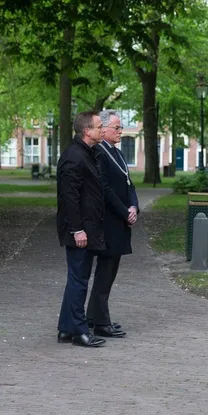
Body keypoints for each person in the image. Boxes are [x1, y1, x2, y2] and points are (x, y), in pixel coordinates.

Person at [86, 109, 139, 338]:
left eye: (121, 127)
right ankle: (101, 322)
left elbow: (129, 184)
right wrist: (123, 211)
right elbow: (104, 188)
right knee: (105, 272)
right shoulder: (99, 152)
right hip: (109, 221)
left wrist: (134, 207)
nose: (120, 131)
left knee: (110, 270)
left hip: (121, 219)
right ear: (103, 129)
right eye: (116, 127)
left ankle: (93, 316)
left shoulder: (116, 153)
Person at [56, 111, 107, 348]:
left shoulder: (88, 153)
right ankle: (79, 331)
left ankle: (66, 329)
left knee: (77, 279)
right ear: (87, 131)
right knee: (79, 281)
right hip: (79, 230)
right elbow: (69, 197)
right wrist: (77, 230)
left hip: (86, 228)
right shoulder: (75, 156)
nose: (102, 129)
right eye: (98, 126)